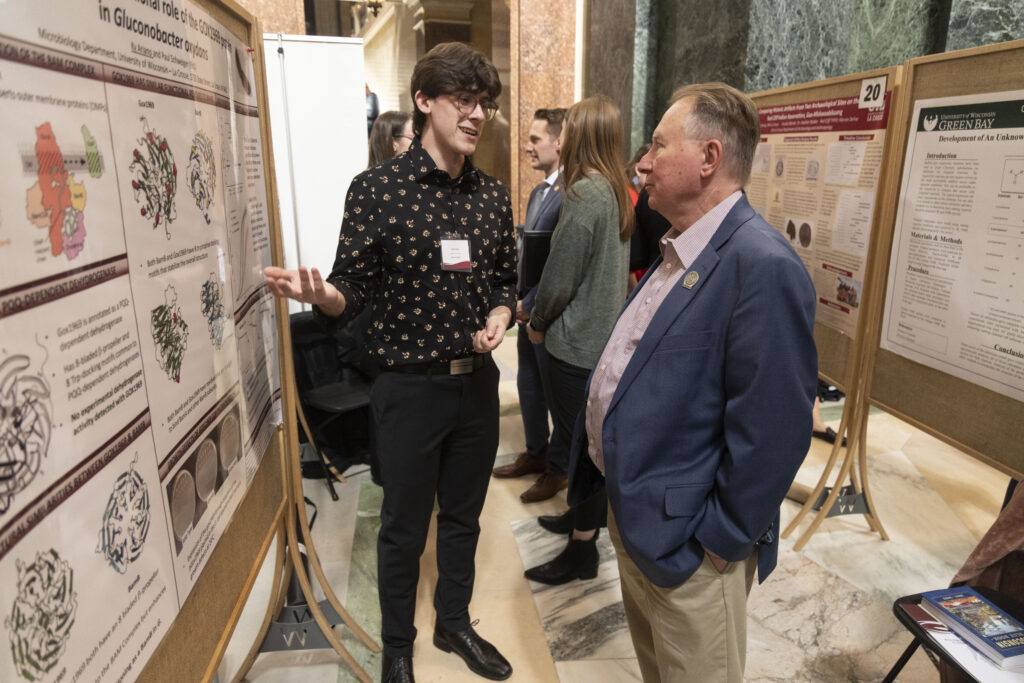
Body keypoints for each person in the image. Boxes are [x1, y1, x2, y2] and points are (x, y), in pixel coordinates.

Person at [265, 43, 515, 683]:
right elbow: (352, 290)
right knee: (404, 528)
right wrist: (323, 295)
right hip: (406, 390)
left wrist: (500, 315)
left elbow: (504, 281)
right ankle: (398, 646)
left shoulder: (490, 196)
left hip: (476, 390)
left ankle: (454, 623)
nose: (476, 114)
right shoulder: (377, 190)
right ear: (425, 102)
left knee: (463, 518)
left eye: (483, 103)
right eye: (463, 100)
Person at [567, 82, 817, 681]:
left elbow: (774, 431)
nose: (642, 162)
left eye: (657, 145)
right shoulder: (681, 247)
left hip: (692, 552)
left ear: (709, 158)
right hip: (641, 521)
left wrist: (718, 542)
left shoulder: (762, 266)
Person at [522, 95, 634, 584]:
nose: (558, 136)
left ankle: (582, 551)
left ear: (581, 135)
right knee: (581, 445)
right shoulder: (614, 188)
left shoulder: (585, 192)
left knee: (587, 452)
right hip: (602, 341)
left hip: (576, 345)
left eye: (567, 130)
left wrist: (538, 319)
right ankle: (579, 521)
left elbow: (561, 275)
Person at [491, 108, 567, 503]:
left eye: (535, 139)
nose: (527, 146)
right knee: (529, 386)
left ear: (559, 142)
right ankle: (536, 454)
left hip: (548, 315)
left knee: (554, 394)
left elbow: (560, 263)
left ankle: (557, 468)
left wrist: (530, 304)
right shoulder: (541, 191)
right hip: (526, 310)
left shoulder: (572, 193)